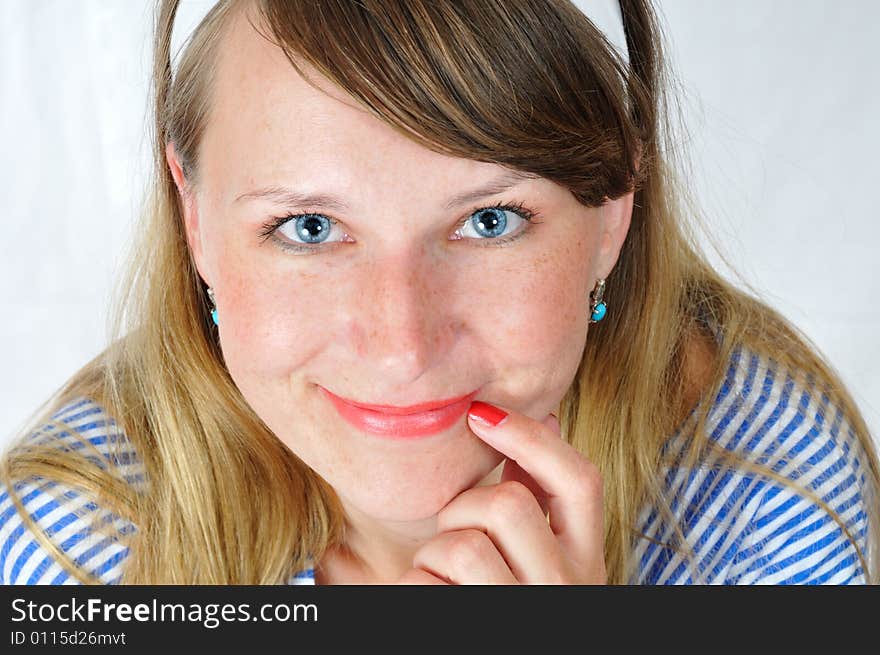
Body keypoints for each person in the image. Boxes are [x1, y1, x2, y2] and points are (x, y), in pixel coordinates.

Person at [1, 0, 878, 586]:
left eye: (489, 222)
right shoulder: (69, 547)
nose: (403, 344)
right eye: (309, 226)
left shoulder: (764, 496)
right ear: (195, 222)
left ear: (612, 215)